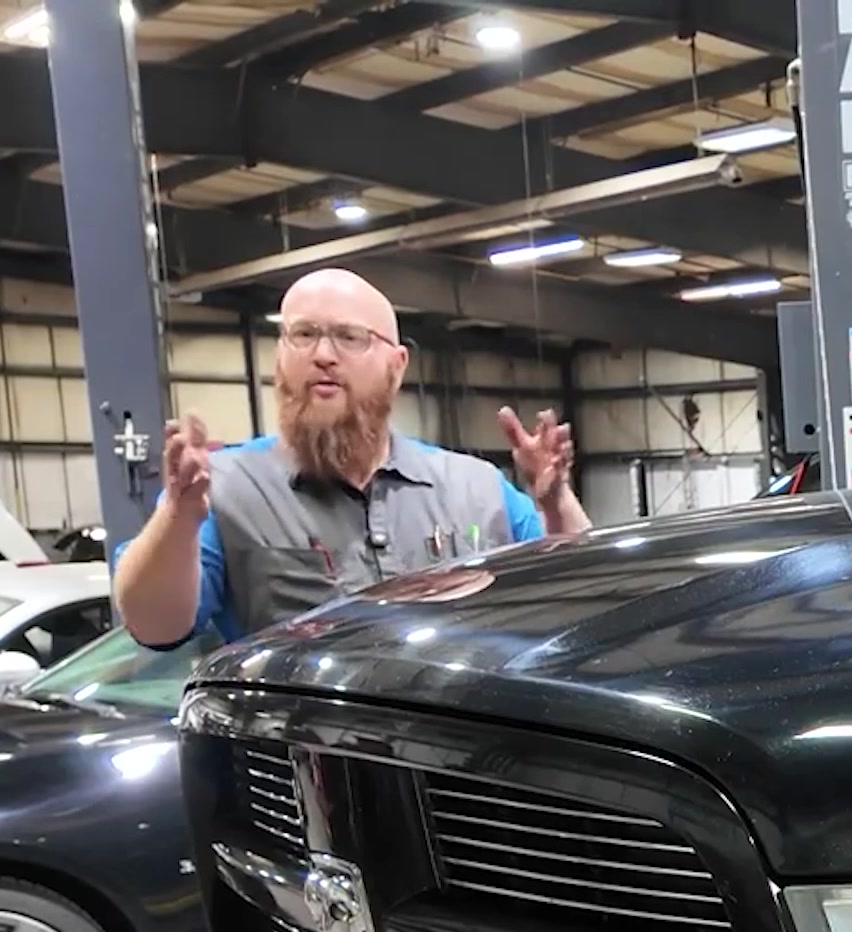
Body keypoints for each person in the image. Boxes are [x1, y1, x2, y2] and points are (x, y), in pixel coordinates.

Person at [114, 266, 590, 650]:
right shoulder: (224, 490)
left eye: (349, 336)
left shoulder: (477, 488)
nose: (323, 354)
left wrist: (555, 504)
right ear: (280, 356)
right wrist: (177, 517)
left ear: (396, 366)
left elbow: (578, 596)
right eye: (303, 334)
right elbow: (154, 626)